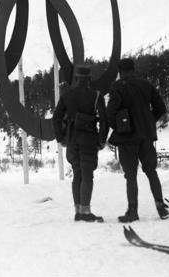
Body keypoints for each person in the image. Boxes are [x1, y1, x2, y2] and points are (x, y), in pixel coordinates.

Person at [106, 57, 169, 222]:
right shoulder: (146, 85)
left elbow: (110, 112)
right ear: (133, 69)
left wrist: (119, 127)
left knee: (131, 175)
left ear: (120, 72)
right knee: (151, 172)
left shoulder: (117, 86)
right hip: (146, 135)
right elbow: (160, 108)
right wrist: (148, 121)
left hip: (127, 137)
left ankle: (133, 211)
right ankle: (160, 206)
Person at [53, 64, 108, 222]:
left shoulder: (66, 96)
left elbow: (56, 118)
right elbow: (104, 121)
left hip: (71, 141)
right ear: (89, 78)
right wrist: (102, 140)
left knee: (77, 174)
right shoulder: (96, 96)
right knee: (87, 176)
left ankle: (78, 211)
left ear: (76, 78)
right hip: (89, 141)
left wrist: (61, 138)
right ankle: (85, 212)